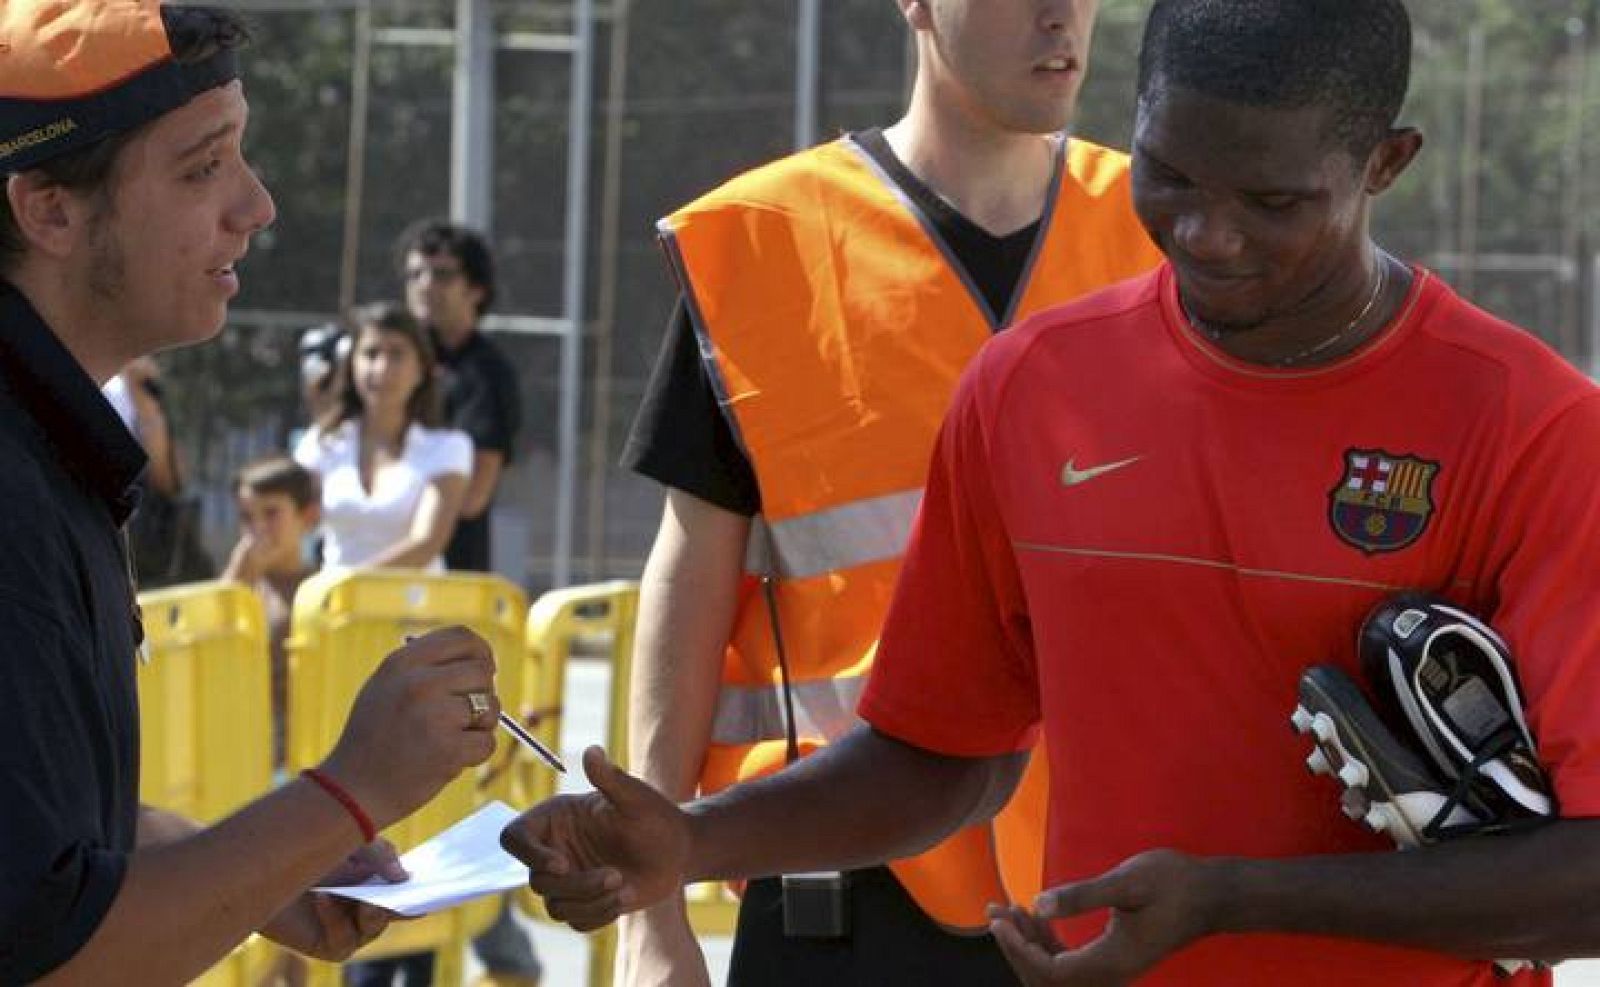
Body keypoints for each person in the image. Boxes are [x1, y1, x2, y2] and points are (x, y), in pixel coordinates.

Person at [503, 1, 1600, 985]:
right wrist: (691, 841)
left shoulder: (1531, 428)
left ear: (1386, 163)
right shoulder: (1029, 388)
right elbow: (941, 758)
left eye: (1272, 201)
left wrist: (1232, 902)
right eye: (1170, 176)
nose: (1207, 235)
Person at [615, 0, 1159, 983]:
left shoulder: (1164, 233)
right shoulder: (765, 243)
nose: (1060, 16)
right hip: (840, 900)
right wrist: (649, 917)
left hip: (1112, 897)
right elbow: (691, 574)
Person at [0, 3, 504, 983]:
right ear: (49, 210)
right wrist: (348, 793)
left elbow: (37, 828)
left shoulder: (46, 443)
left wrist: (272, 860)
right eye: (203, 167)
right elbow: (52, 949)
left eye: (242, 153)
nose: (257, 205)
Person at [294, 302, 472, 573]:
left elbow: (426, 542)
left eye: (397, 355)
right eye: (370, 353)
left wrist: (351, 586)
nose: (381, 368)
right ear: (351, 365)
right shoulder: (320, 443)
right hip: (335, 599)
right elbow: (293, 522)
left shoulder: (449, 448)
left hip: (414, 600)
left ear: (421, 370)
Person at [397, 220, 522, 575]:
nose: (424, 285)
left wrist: (395, 506)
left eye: (442, 275)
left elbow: (473, 495)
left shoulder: (485, 372)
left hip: (449, 576)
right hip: (367, 572)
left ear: (476, 290)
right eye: (415, 274)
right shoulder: (395, 360)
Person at [222, 456, 323, 771]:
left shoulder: (322, 591)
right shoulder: (241, 584)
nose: (258, 529)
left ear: (308, 517)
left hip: (304, 757)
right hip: (243, 755)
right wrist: (236, 580)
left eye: (272, 513)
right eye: (247, 517)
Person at [106, 355, 216, 586]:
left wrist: (147, 405)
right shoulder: (101, 389)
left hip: (141, 547)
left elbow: (170, 481)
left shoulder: (143, 392)